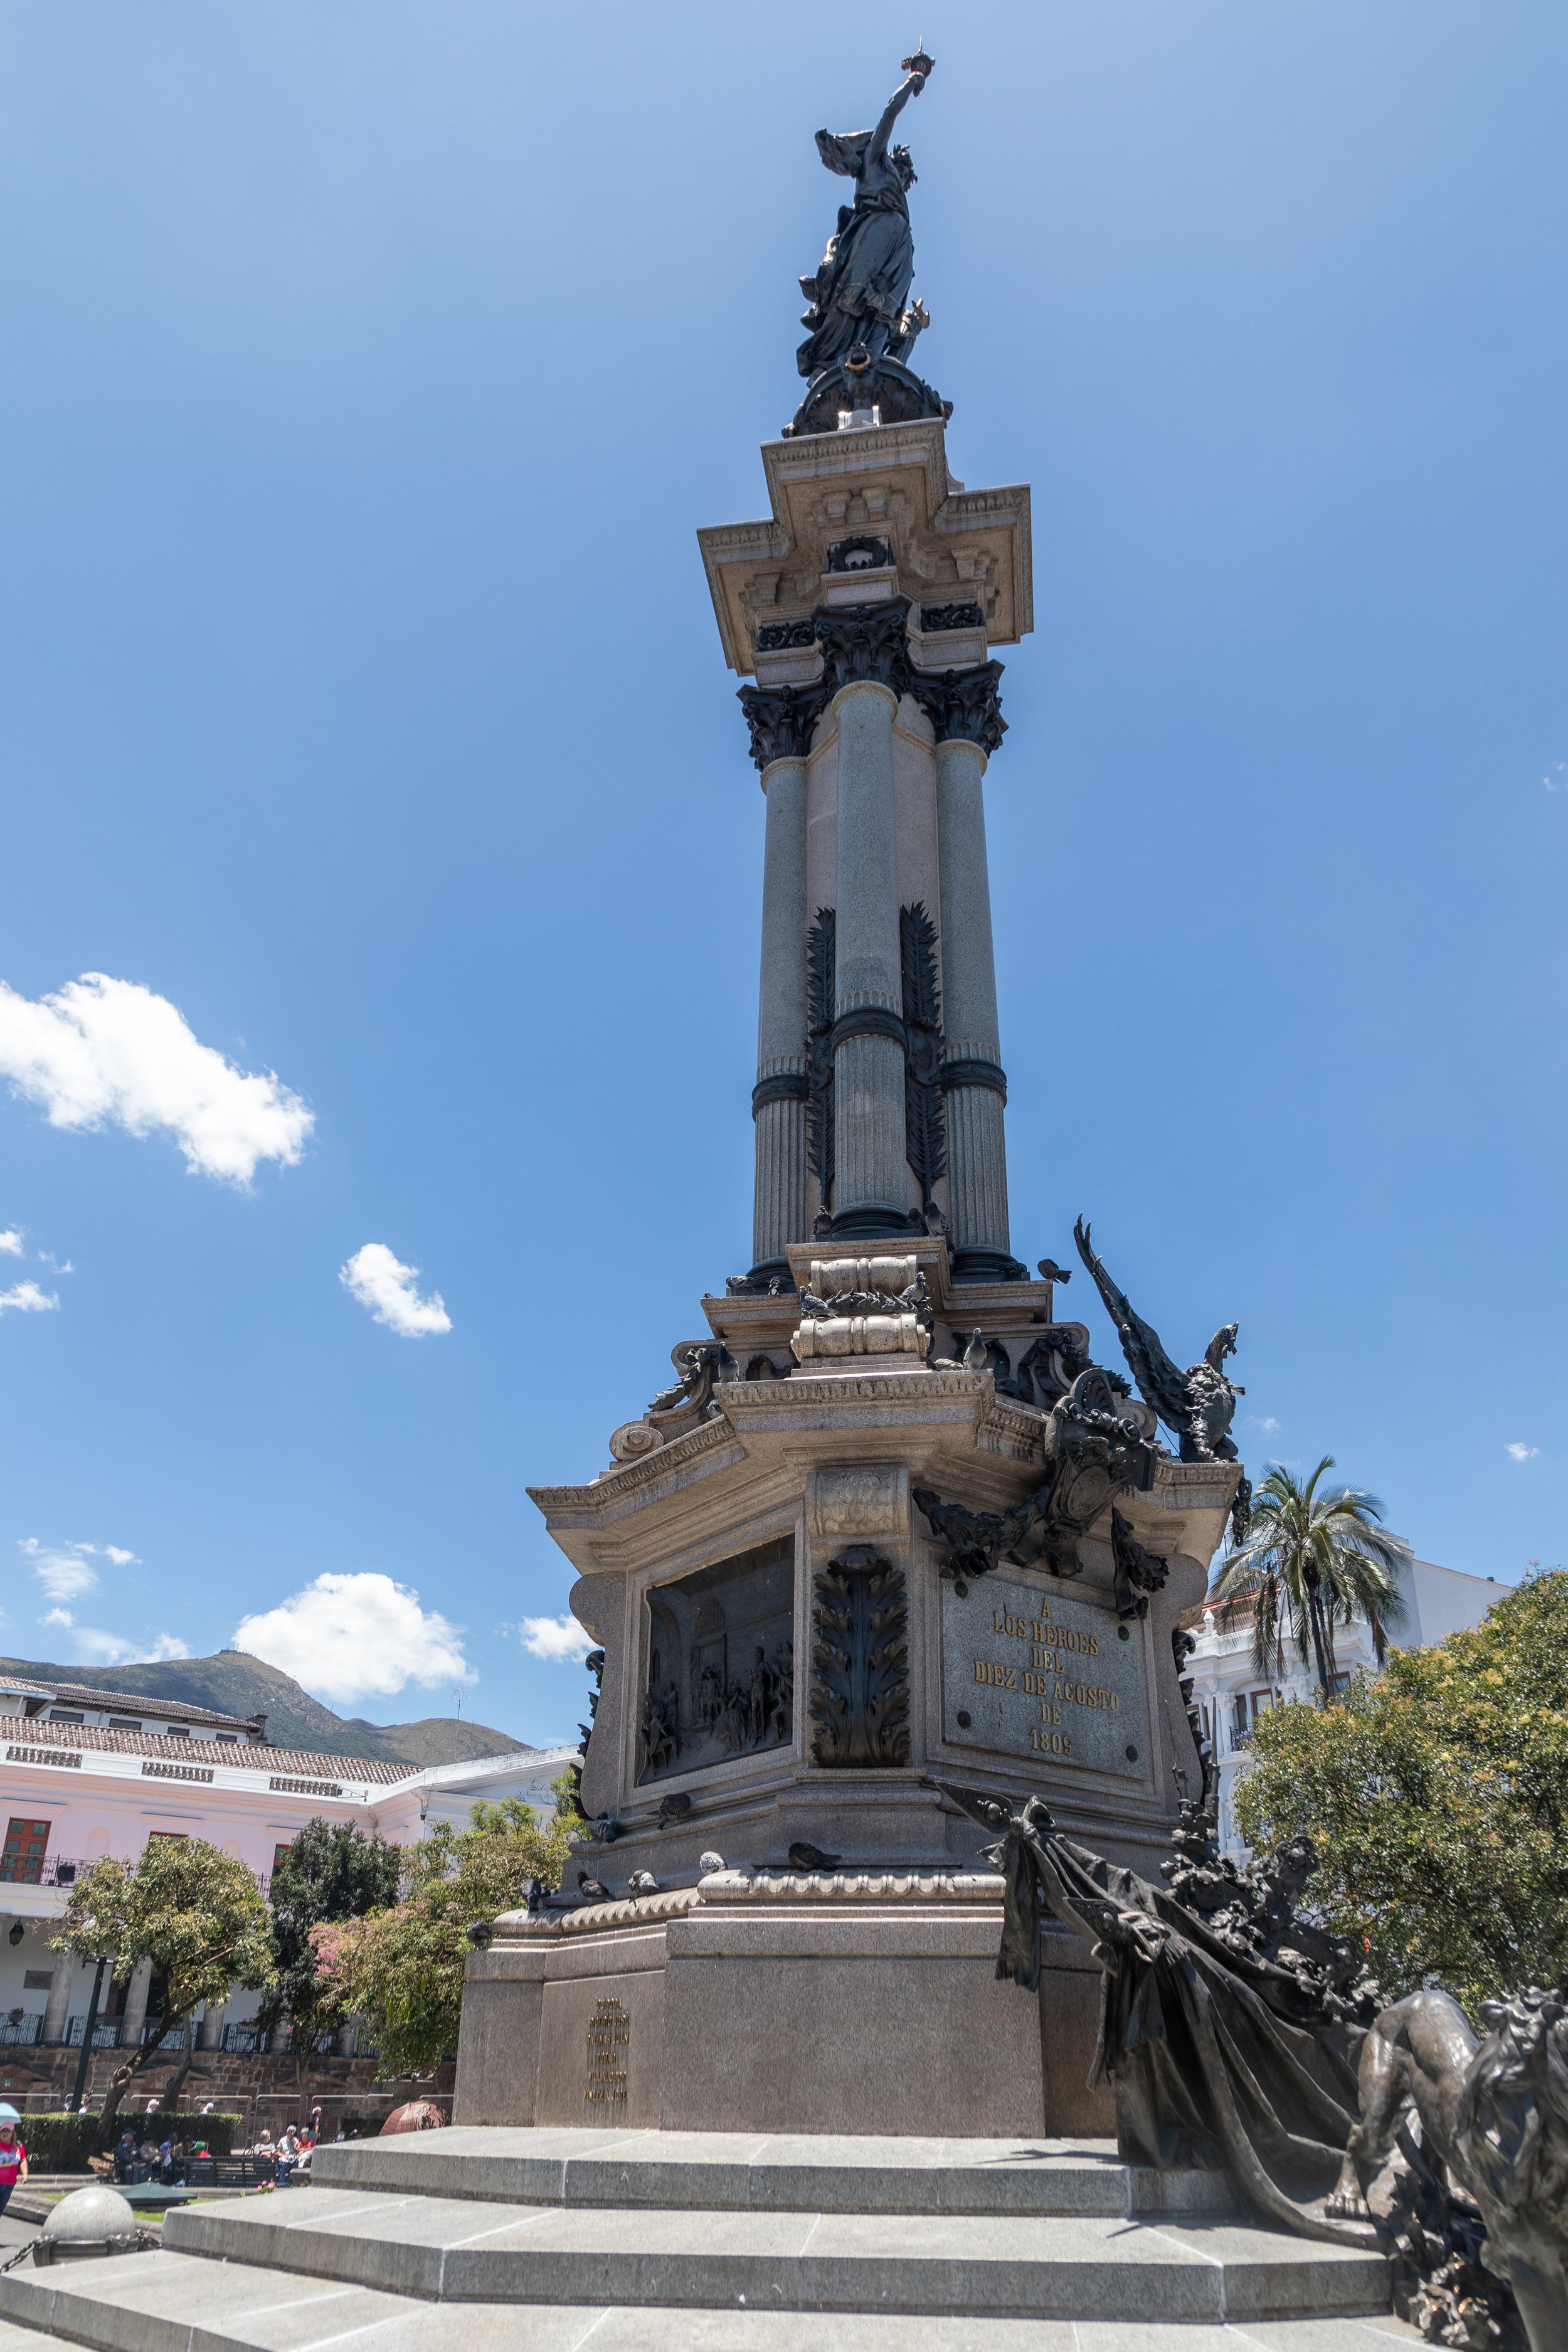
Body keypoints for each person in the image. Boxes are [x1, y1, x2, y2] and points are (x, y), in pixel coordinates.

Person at [0, 2111, 28, 2213]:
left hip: (10, 2184)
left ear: (12, 2133)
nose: (5, 2133)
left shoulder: (18, 2146)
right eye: (3, 2131)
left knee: (1, 2209)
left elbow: (23, 2160)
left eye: (8, 2130)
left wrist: (25, 2174)